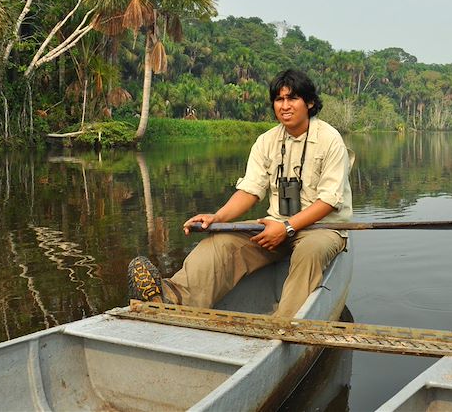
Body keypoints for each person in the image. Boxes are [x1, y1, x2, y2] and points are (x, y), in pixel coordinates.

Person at [128, 69, 353, 317]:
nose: (285, 106)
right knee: (220, 243)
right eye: (279, 99)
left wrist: (287, 228)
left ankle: (284, 325)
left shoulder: (330, 140)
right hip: (274, 227)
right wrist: (218, 218)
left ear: (309, 103)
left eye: (292, 99)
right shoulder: (266, 141)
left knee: (309, 252)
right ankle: (172, 298)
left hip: (321, 229)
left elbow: (329, 202)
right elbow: (250, 191)